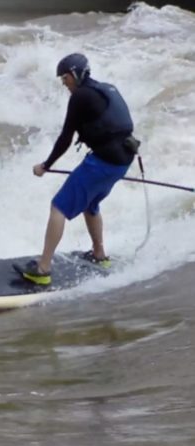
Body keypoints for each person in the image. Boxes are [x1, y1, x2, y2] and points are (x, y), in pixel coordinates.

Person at [19, 53, 138, 286]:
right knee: (90, 204)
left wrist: (45, 165)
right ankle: (99, 254)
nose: (64, 84)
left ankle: (43, 269)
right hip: (122, 161)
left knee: (58, 206)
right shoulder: (107, 89)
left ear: (75, 74)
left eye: (65, 79)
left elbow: (65, 138)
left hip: (104, 162)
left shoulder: (80, 97)